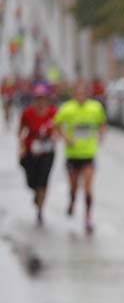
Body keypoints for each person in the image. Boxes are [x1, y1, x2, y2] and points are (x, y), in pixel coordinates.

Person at [54, 79, 107, 233]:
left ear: (87, 93)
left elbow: (102, 123)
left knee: (88, 188)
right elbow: (56, 125)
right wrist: (65, 137)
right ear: (74, 94)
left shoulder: (95, 107)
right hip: (72, 154)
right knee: (74, 187)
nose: (81, 95)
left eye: (83, 93)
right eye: (78, 93)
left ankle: (88, 217)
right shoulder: (66, 108)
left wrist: (101, 135)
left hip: (88, 153)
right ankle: (71, 201)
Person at [18, 82, 57, 226]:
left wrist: (55, 137)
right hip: (31, 152)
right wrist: (21, 147)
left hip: (47, 152)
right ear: (34, 99)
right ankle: (36, 193)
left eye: (43, 98)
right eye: (38, 98)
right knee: (32, 181)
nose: (40, 101)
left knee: (44, 180)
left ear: (47, 99)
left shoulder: (53, 112)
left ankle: (40, 210)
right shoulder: (27, 113)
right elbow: (21, 131)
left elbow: (58, 129)